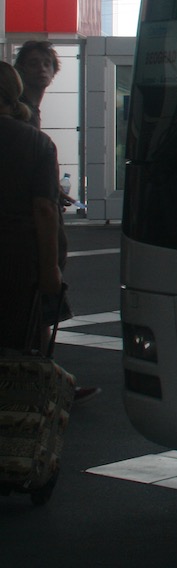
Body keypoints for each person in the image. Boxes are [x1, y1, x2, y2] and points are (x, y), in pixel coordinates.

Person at [12, 42, 98, 402]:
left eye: (46, 63)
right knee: (36, 304)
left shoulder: (32, 112)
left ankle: (43, 382)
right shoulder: (23, 119)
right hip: (26, 235)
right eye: (32, 64)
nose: (41, 70)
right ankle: (42, 384)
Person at [0, 61, 62, 353]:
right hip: (18, 256)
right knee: (19, 340)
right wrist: (50, 269)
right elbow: (45, 210)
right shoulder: (38, 143)